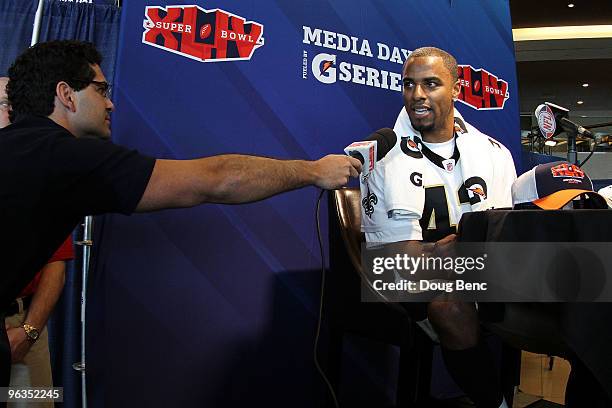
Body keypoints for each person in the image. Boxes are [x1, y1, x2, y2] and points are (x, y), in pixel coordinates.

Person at [0, 40, 362, 387]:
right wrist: (314, 171)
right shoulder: (65, 158)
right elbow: (216, 179)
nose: (110, 104)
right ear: (66, 95)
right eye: (101, 90)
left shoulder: (21, 148)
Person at [361, 47, 516, 407]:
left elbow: (505, 234)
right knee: (450, 305)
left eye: (431, 84)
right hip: (412, 280)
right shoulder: (380, 156)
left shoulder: (494, 153)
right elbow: (396, 262)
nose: (417, 95)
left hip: (482, 269)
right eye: (409, 85)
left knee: (577, 279)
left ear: (457, 90)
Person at [0, 77, 73, 407]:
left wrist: (28, 332)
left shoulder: (40, 178)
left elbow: (55, 264)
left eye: (17, 107)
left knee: (37, 401)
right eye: (7, 106)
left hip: (23, 331)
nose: (14, 115)